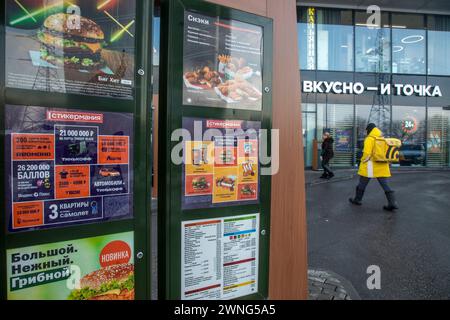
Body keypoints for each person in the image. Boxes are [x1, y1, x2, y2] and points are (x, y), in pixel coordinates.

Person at [349, 123, 399, 211]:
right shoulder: (382, 138)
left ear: (369, 130)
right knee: (385, 184)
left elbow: (367, 153)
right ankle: (392, 203)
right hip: (382, 165)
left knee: (362, 183)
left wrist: (363, 160)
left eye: (366, 130)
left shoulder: (370, 139)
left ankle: (357, 200)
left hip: (370, 166)